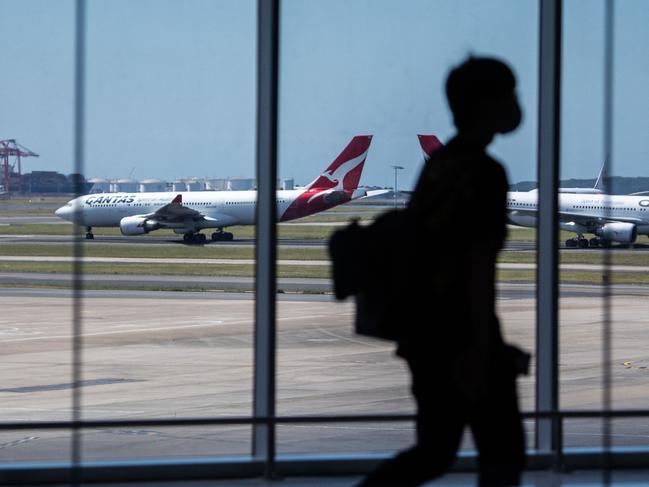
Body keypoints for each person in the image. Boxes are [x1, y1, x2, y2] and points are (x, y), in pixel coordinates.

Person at [355, 57, 526, 487]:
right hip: (460, 335)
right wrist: (483, 347)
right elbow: (475, 267)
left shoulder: (439, 165)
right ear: (485, 104)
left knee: (435, 451)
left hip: (427, 334)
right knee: (502, 454)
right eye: (509, 94)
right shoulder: (484, 172)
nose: (516, 104)